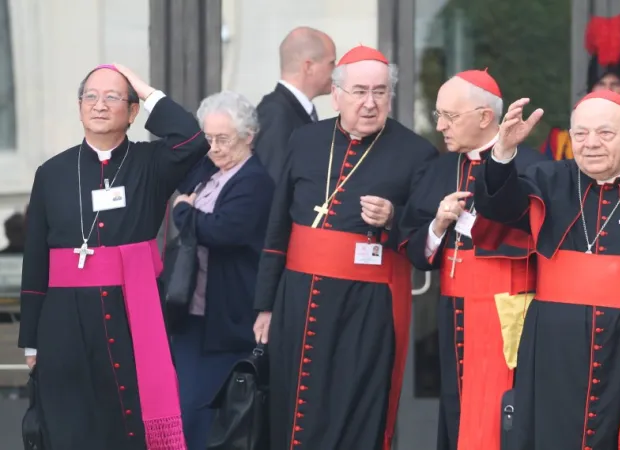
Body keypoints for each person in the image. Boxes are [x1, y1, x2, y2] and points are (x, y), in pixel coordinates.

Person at [252, 45, 437, 449]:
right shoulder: (305, 140)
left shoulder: (416, 153)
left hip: (365, 306)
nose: (370, 103)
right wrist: (266, 303)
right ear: (336, 94)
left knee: (352, 405)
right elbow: (278, 225)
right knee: (291, 400)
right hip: (296, 299)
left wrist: (392, 216)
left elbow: (425, 238)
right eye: (359, 92)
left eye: (380, 92)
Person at [18, 64, 209, 450]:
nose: (99, 105)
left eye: (113, 97)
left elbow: (192, 138)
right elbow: (36, 260)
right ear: (78, 106)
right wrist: (32, 342)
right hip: (65, 322)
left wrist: (143, 88)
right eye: (91, 96)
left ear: (133, 112)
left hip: (131, 313)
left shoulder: (152, 163)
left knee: (129, 421)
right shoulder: (51, 172)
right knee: (70, 422)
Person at [472, 90, 620, 449]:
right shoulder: (548, 180)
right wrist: (502, 154)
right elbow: (499, 210)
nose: (590, 144)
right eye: (580, 134)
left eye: (605, 133)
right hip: (554, 352)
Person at [398, 70, 545, 450]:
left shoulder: (533, 165)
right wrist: (437, 225)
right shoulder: (438, 169)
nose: (441, 126)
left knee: (503, 416)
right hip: (453, 310)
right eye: (438, 116)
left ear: (484, 117)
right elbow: (415, 247)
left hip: (506, 314)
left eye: (450, 116)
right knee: (456, 410)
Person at [169, 90, 275, 450]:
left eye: (223, 139)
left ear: (249, 136)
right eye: (209, 138)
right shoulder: (210, 169)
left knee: (207, 416)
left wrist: (183, 212)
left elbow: (222, 231)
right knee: (182, 413)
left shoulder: (255, 181)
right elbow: (182, 184)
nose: (213, 148)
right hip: (191, 315)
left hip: (225, 321)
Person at [540, 14, 620, 161]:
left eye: (615, 84)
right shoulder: (559, 144)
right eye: (601, 84)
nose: (608, 91)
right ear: (590, 89)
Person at [254, 27, 336, 183]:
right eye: (331, 63)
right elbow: (272, 184)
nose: (336, 71)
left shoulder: (288, 110)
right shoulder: (275, 114)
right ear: (308, 67)